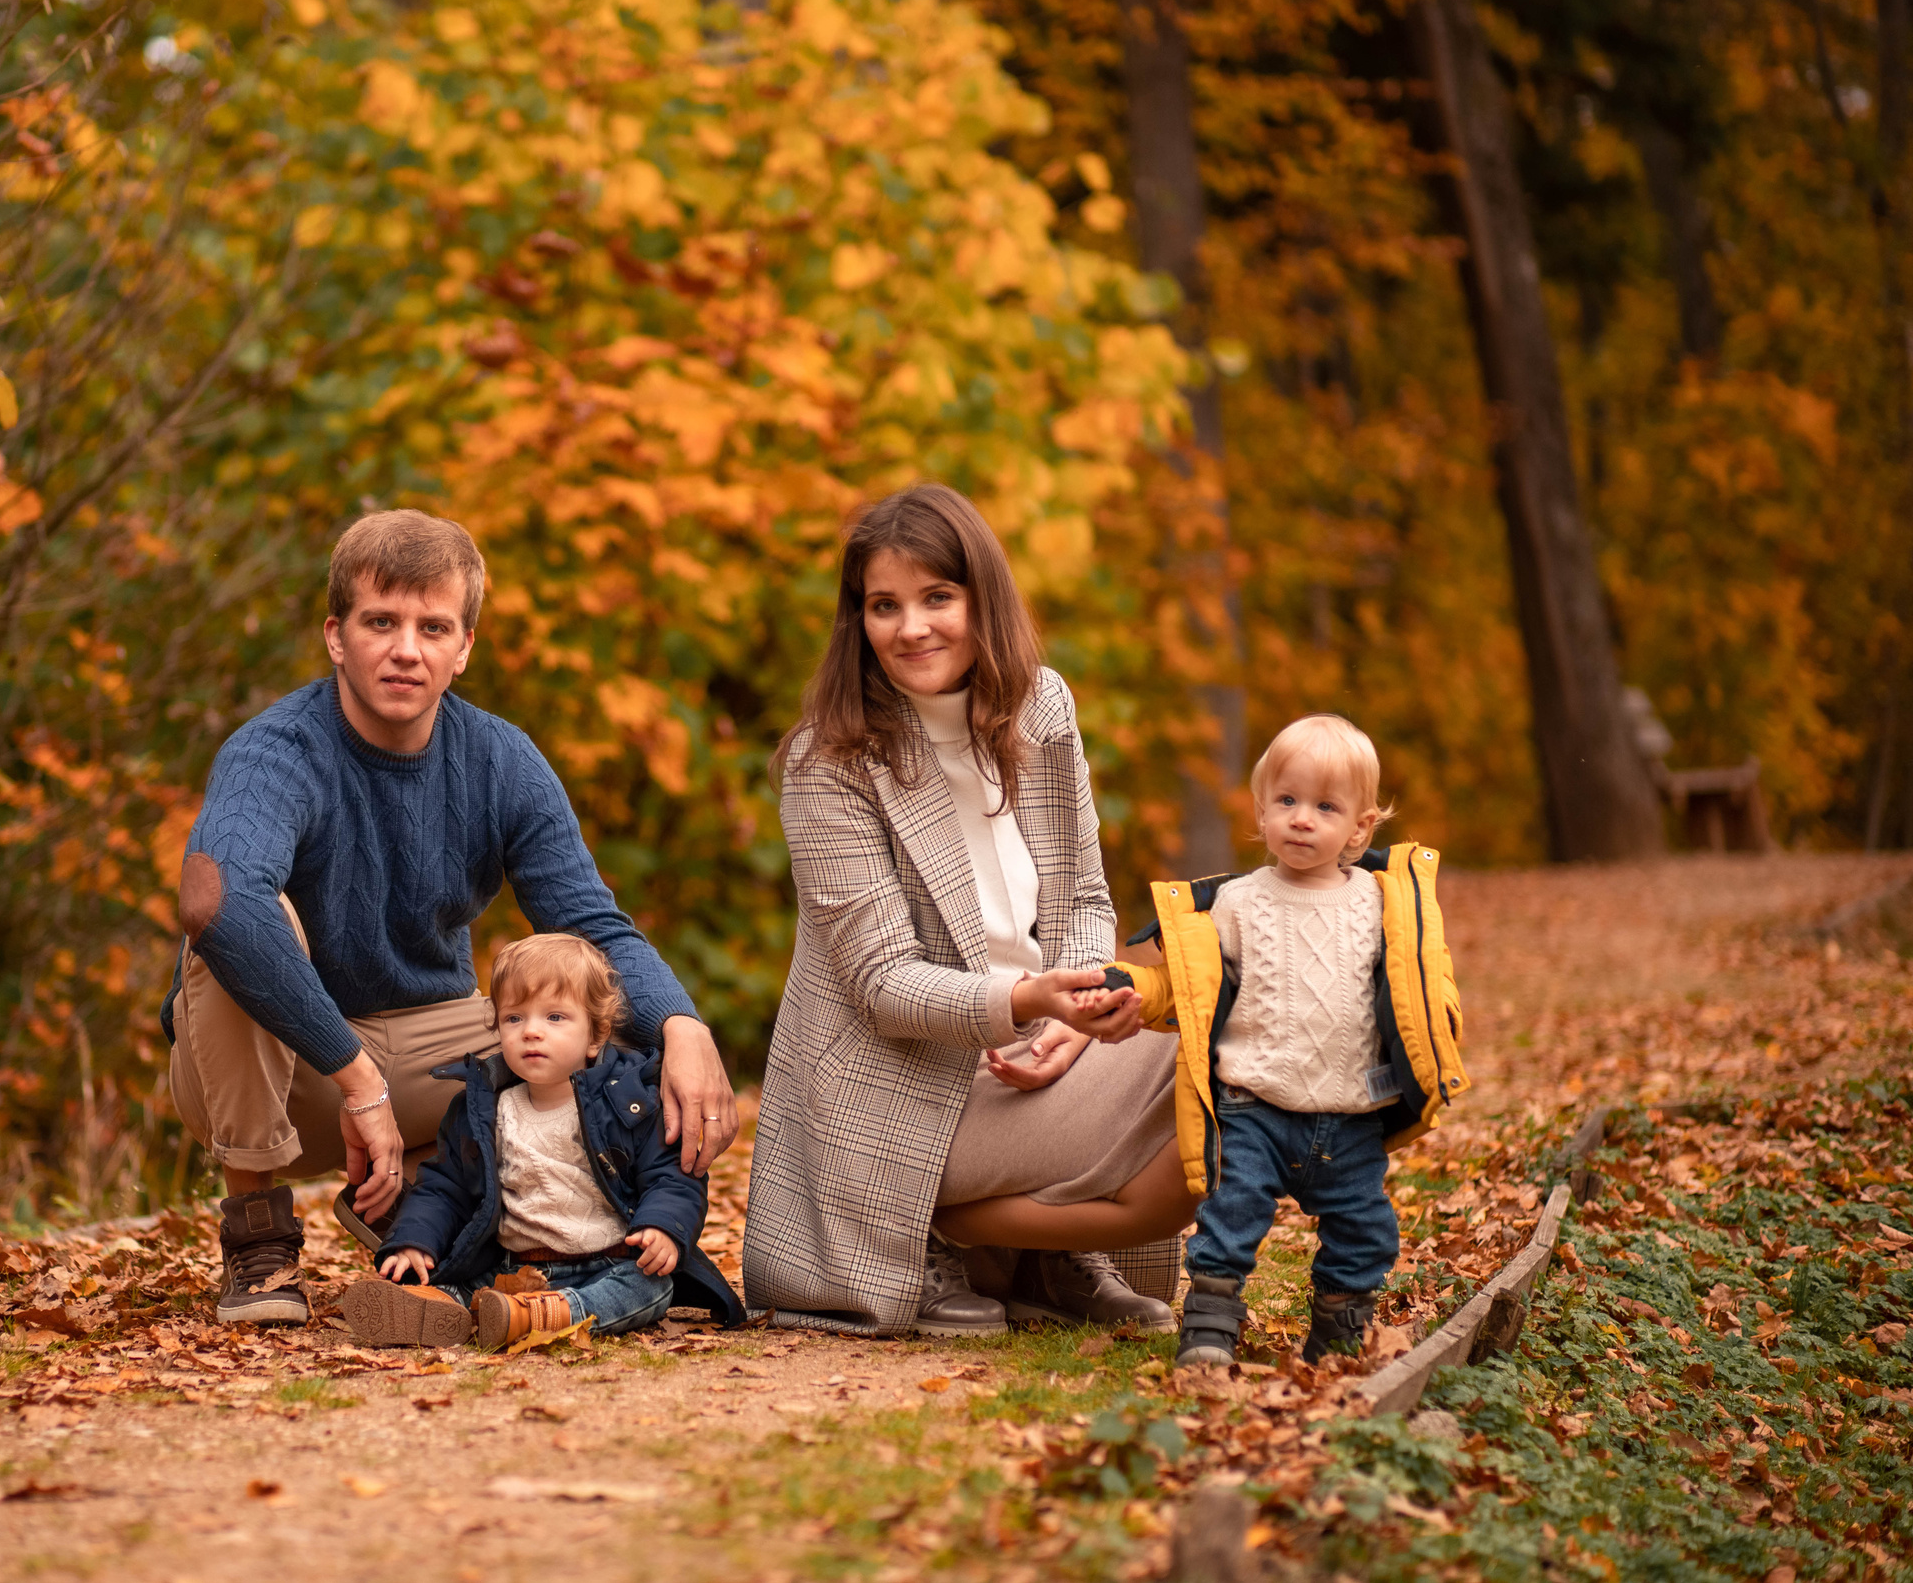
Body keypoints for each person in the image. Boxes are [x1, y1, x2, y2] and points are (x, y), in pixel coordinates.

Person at [162, 510, 738, 1326]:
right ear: (336, 635)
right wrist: (354, 1075)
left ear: (463, 647)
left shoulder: (501, 759)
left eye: (434, 626)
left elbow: (590, 926)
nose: (407, 648)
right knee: (236, 917)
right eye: (381, 622)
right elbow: (215, 905)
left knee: (600, 1021)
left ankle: (505, 1227)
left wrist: (682, 1024)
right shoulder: (274, 752)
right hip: (289, 1070)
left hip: (434, 1049)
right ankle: (260, 1244)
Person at [742, 484, 1195, 1337]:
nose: (911, 627)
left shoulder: (1041, 708)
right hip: (898, 1090)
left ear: (981, 597)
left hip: (1036, 1042)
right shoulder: (830, 760)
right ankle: (938, 1237)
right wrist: (1028, 1003)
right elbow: (882, 986)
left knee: (1221, 1035)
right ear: (857, 620)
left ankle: (1051, 1260)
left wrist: (1082, 1009)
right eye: (885, 605)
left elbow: (1084, 896)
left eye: (937, 597)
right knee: (1205, 1080)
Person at [1090, 714, 1472, 1368]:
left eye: (1325, 806)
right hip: (1253, 1104)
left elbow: (1421, 982)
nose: (1302, 818)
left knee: (1366, 1231)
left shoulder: (1384, 905)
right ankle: (1208, 1336)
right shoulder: (1237, 903)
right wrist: (1129, 987)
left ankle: (1336, 1341)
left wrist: (1444, 1027)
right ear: (1261, 809)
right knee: (1229, 1217)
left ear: (1359, 827)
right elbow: (1189, 982)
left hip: (1350, 1113)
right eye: (1287, 800)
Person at [340, 933, 747, 1348]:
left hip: (608, 1262)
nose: (531, 1032)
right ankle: (432, 1307)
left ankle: (545, 1315)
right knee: (463, 1281)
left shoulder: (628, 1101)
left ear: (595, 1036)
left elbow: (669, 1176)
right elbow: (445, 1188)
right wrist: (415, 1241)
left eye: (554, 1018)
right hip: (513, 1267)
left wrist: (661, 1226)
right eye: (515, 1018)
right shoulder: (483, 1108)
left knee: (650, 1287)